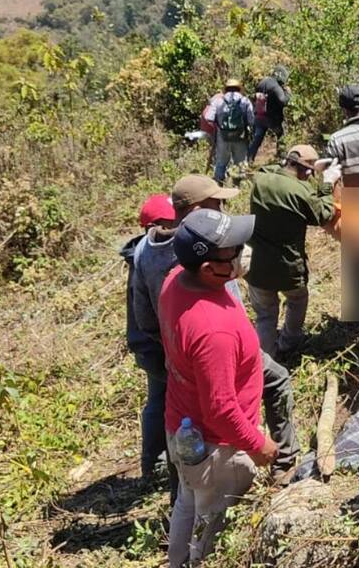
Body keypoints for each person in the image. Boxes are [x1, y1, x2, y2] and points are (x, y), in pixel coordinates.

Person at [130, 175, 299, 491]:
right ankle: (284, 461)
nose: (223, 209)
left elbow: (144, 316)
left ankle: (168, 478)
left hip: (176, 352)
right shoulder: (209, 248)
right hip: (215, 348)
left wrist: (175, 347)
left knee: (173, 412)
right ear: (195, 209)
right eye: (217, 203)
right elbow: (220, 402)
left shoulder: (145, 249)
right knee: (275, 380)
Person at [163, 208, 277, 568]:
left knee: (188, 499)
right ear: (211, 269)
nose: (243, 250)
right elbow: (221, 409)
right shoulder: (214, 331)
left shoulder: (175, 279)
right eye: (234, 248)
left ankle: (176, 561)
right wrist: (259, 445)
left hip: (184, 428)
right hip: (216, 446)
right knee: (213, 526)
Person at [246, 145, 341, 357]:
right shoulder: (301, 191)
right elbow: (324, 214)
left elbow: (273, 169)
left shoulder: (261, 178)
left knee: (265, 315)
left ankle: (266, 361)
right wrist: (327, 182)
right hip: (287, 265)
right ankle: (290, 341)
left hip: (257, 264)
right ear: (307, 171)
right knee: (297, 300)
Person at [122, 194, 178, 484]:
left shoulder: (140, 253)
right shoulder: (151, 257)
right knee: (169, 402)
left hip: (147, 342)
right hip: (154, 344)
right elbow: (150, 312)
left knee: (158, 399)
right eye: (172, 221)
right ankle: (166, 465)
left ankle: (154, 464)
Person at [213, 79, 255, 184]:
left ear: (226, 89)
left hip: (222, 136)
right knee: (241, 163)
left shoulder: (218, 101)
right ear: (239, 88)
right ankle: (239, 187)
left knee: (221, 163)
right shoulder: (245, 101)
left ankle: (218, 185)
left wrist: (217, 129)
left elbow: (209, 117)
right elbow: (251, 120)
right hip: (240, 137)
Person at [249, 66, 291, 162]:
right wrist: (288, 93)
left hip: (259, 116)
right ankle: (281, 159)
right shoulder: (274, 85)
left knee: (256, 140)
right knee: (281, 136)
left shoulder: (263, 82)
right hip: (272, 118)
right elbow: (282, 100)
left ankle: (248, 160)